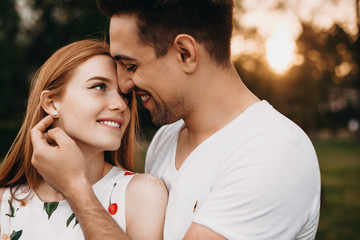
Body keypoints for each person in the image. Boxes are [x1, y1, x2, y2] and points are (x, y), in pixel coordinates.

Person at [31, 0, 321, 239]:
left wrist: (77, 189)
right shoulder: (168, 137)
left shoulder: (272, 154)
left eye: (131, 65)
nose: (124, 84)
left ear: (185, 53)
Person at [0, 39, 167, 240]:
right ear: (51, 103)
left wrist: (75, 188)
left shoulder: (141, 194)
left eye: (124, 95)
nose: (120, 105)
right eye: (99, 86)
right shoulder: (5, 205)